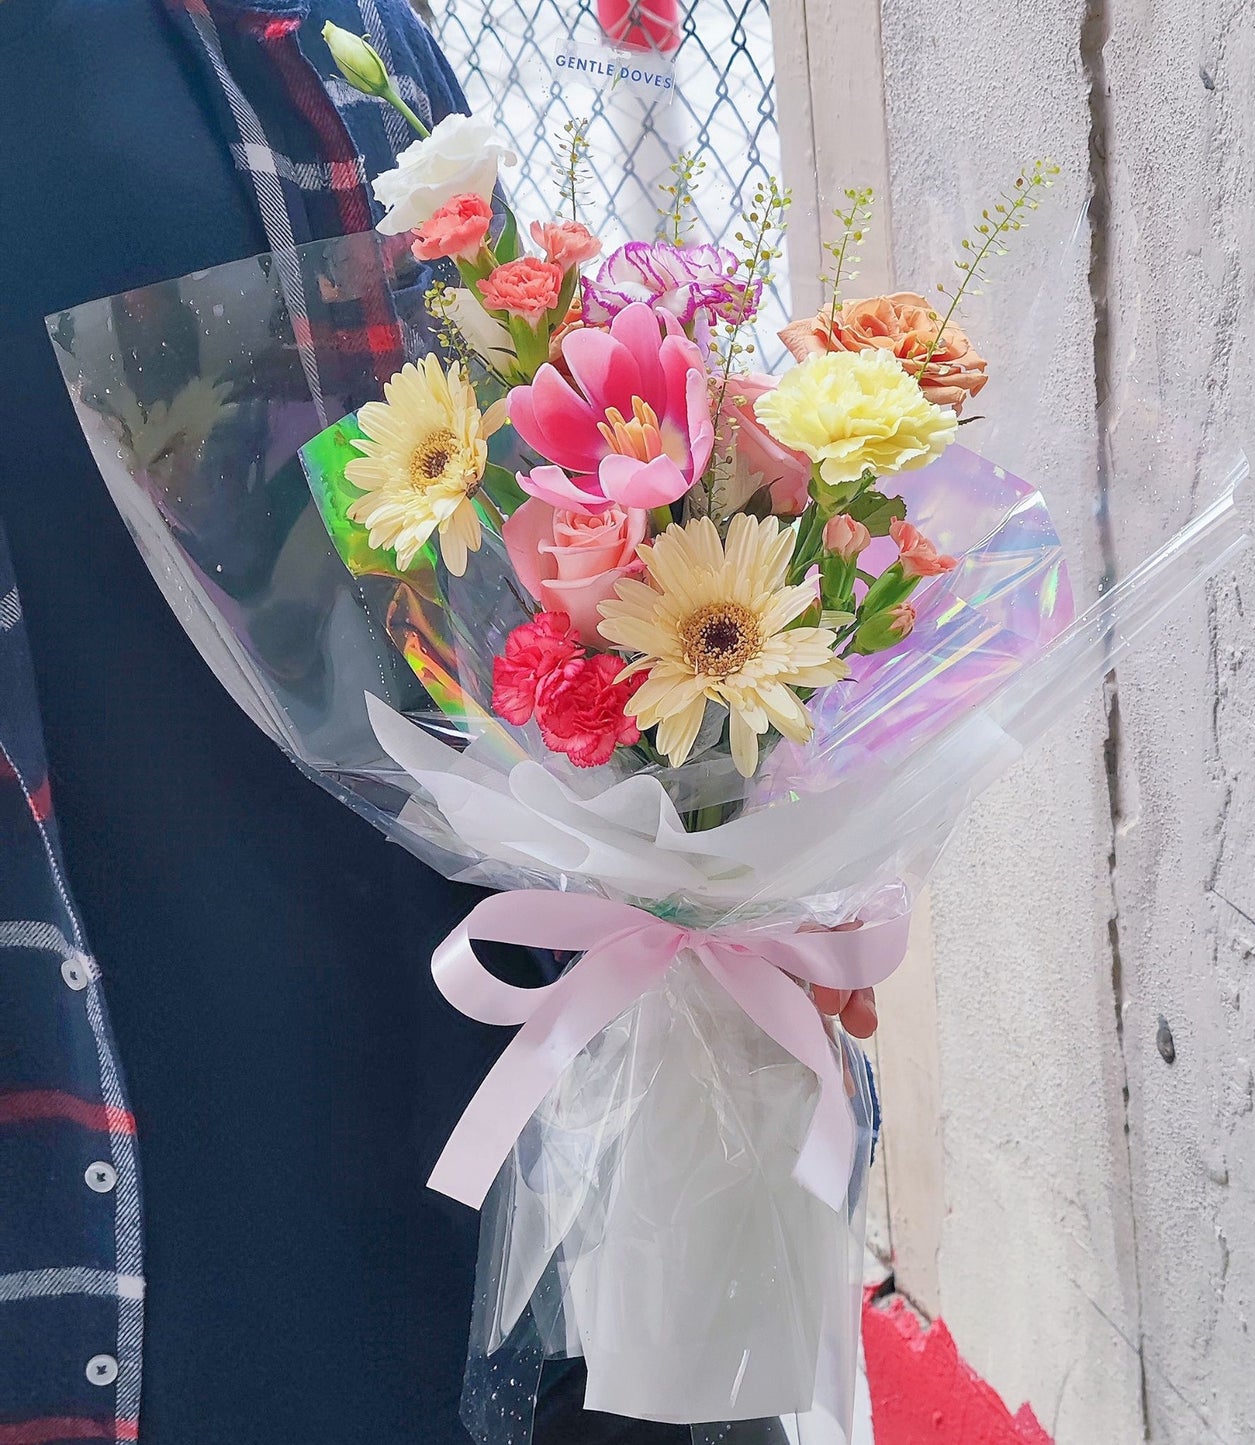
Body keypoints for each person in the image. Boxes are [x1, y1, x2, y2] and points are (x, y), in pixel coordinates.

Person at [0, 3, 876, 1441]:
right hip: (119, 1204)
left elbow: (501, 520)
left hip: (490, 1099)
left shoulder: (324, 32)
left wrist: (729, 871)